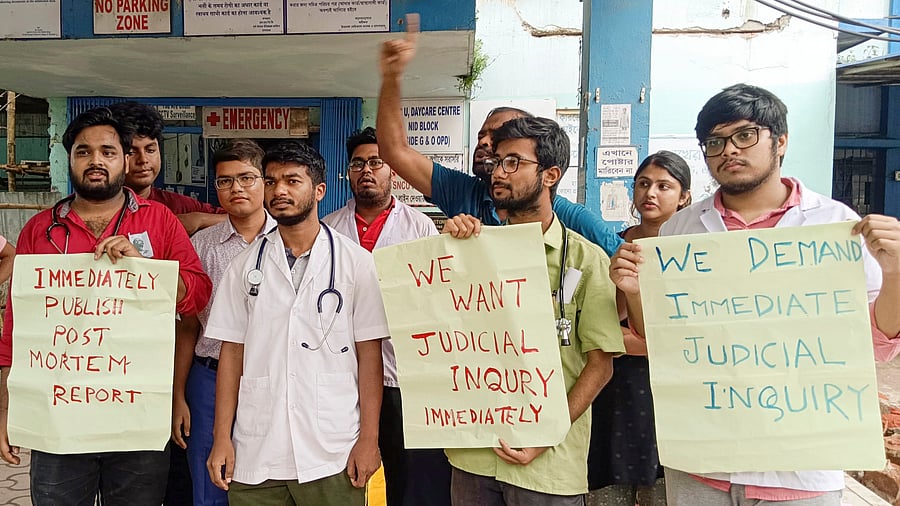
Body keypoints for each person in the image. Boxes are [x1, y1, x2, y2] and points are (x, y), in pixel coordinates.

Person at [610, 83, 900, 506]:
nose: (729, 150)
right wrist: (634, 293)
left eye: (745, 136)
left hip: (801, 468)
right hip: (702, 462)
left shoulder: (836, 225)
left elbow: (878, 342)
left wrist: (895, 273)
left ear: (780, 140)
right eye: (715, 142)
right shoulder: (681, 231)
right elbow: (660, 339)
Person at [0, 106, 212, 505]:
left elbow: (198, 295)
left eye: (107, 151)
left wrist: (147, 270)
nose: (96, 160)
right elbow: (17, 326)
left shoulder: (160, 221)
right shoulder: (40, 229)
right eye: (83, 151)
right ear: (70, 159)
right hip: (59, 418)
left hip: (137, 417)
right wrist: (5, 408)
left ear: (124, 158)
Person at [442, 116, 625, 505]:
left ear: (550, 174)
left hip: (548, 466)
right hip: (474, 454)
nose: (497, 173)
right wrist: (446, 253)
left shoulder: (586, 261)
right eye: (495, 162)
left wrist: (548, 432)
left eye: (513, 162)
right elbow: (443, 333)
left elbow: (600, 365)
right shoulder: (470, 250)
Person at [204, 141, 388, 506]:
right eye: (271, 182)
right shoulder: (244, 266)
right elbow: (231, 354)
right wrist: (221, 437)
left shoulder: (356, 263)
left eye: (292, 181)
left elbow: (370, 356)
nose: (279, 191)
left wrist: (369, 439)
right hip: (257, 450)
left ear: (319, 190)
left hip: (332, 450)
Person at [377, 21, 623, 258]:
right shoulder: (464, 192)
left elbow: (625, 261)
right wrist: (391, 77)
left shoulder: (566, 217)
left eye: (509, 151)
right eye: (481, 135)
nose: (485, 142)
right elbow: (394, 150)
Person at [322, 127, 441, 506]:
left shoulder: (419, 227)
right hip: (343, 376)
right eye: (358, 164)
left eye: (377, 162)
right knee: (347, 475)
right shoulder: (328, 229)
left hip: (403, 377)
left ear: (393, 170)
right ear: (348, 173)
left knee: (410, 479)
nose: (367, 171)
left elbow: (433, 297)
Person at [172, 139, 275, 506]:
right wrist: (178, 395)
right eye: (225, 181)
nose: (237, 189)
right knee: (210, 483)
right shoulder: (201, 246)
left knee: (266, 482)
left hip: (271, 378)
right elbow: (188, 325)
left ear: (265, 181)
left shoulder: (288, 242)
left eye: (247, 178)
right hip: (209, 378)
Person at [587, 151, 692, 506]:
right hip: (617, 387)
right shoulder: (610, 246)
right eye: (644, 184)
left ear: (684, 197)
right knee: (608, 486)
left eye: (664, 186)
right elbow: (603, 328)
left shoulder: (696, 253)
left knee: (663, 487)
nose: (651, 193)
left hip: (675, 389)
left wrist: (654, 342)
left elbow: (694, 334)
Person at [109, 101, 227, 235]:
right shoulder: (95, 209)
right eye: (131, 152)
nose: (143, 160)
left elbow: (245, 220)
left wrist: (199, 219)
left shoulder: (179, 206)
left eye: (150, 150)